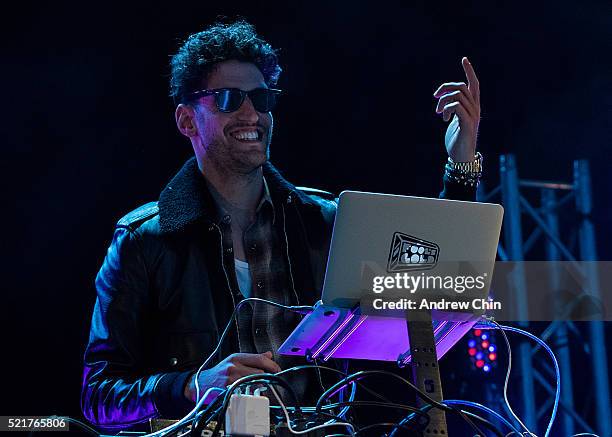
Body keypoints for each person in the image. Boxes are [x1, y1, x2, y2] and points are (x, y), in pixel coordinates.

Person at [81, 20, 482, 431]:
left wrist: (461, 165)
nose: (251, 113)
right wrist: (193, 385)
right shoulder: (143, 241)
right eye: (228, 99)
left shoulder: (324, 221)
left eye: (260, 98)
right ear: (187, 121)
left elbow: (435, 282)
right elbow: (99, 397)